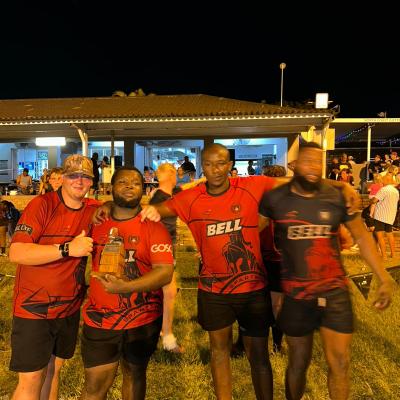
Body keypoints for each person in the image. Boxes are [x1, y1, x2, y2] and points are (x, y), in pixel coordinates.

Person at [258, 141, 393, 400]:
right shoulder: (275, 198)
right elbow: (252, 230)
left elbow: (362, 236)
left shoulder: (336, 197)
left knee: (340, 363)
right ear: (295, 165)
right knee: (298, 362)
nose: (313, 167)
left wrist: (383, 277)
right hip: (296, 295)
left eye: (318, 162)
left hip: (334, 293)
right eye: (307, 161)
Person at [8, 155, 99, 400]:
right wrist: (67, 249)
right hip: (34, 309)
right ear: (62, 179)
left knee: (53, 371)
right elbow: (17, 252)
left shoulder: (94, 210)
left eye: (85, 177)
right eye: (73, 176)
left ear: (92, 182)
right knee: (31, 378)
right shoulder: (42, 205)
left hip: (68, 308)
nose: (79, 181)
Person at [80, 166, 174, 400]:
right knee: (94, 386)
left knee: (135, 373)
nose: (129, 186)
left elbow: (165, 273)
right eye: (122, 182)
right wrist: (106, 205)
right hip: (100, 317)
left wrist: (126, 288)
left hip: (142, 318)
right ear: (111, 187)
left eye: (136, 183)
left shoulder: (154, 226)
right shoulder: (95, 220)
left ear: (144, 189)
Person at [150, 163, 184, 353]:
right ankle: (167, 337)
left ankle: (160, 332)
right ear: (170, 174)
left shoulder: (171, 193)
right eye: (174, 172)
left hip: (167, 248)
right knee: (169, 292)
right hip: (161, 250)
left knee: (163, 292)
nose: (177, 176)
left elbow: (187, 188)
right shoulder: (159, 198)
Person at [369, 174, 399, 260]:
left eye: (383, 179)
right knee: (390, 235)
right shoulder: (395, 191)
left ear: (386, 180)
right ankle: (393, 255)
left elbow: (374, 200)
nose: (382, 181)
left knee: (380, 236)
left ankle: (384, 256)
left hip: (380, 216)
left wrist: (371, 199)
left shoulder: (383, 190)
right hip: (390, 216)